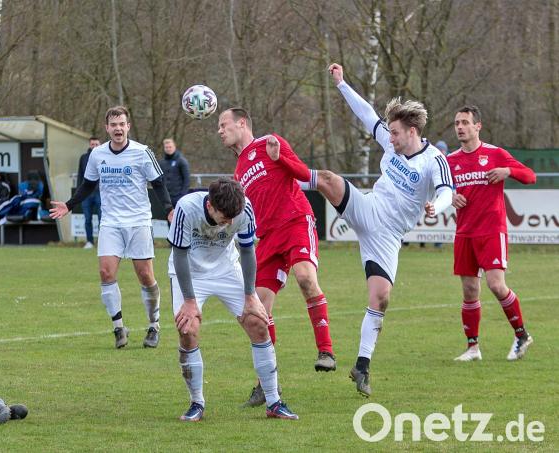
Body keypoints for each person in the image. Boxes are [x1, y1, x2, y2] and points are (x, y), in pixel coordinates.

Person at [306, 64, 454, 397]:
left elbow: (447, 191)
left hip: (388, 237)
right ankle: (286, 176)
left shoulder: (434, 160)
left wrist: (438, 207)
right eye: (389, 133)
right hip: (369, 209)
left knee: (381, 298)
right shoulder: (391, 142)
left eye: (396, 133)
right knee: (328, 178)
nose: (390, 138)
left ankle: (361, 365)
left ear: (412, 131)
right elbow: (366, 114)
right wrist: (342, 84)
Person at [217, 108, 336, 408]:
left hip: (295, 221)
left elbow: (301, 173)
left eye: (223, 124)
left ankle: (326, 351)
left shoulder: (270, 142)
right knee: (257, 311)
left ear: (242, 123)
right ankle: (266, 384)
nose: (219, 130)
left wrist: (278, 156)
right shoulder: (239, 169)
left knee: (306, 278)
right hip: (267, 238)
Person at [169, 178, 298, 421]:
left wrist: (250, 295)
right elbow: (179, 255)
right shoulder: (186, 208)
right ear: (210, 207)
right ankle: (196, 403)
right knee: (188, 330)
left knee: (259, 323)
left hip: (227, 270)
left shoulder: (244, 208)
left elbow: (248, 251)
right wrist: (189, 300)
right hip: (190, 273)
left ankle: (273, 401)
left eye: (232, 217)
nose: (228, 222)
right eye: (224, 217)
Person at [50, 106, 174, 349]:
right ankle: (119, 328)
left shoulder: (142, 152)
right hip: (110, 222)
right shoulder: (97, 155)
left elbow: (158, 183)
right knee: (106, 273)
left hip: (138, 221)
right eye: (113, 125)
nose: (118, 128)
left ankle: (154, 325)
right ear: (107, 128)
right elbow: (88, 185)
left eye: (122, 124)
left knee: (145, 275)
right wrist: (68, 204)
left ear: (128, 127)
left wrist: (169, 208)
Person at [449, 105, 536, 362]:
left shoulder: (495, 154)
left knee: (496, 285)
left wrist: (508, 171)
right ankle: (473, 348)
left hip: (491, 230)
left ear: (478, 126)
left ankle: (522, 335)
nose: (460, 127)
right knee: (469, 290)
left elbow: (530, 176)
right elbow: (437, 191)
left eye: (465, 122)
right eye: (457, 123)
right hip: (464, 232)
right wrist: (450, 197)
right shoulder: (450, 160)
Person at [77, 137, 102, 248]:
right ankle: (89, 242)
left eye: (96, 144)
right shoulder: (83, 158)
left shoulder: (105, 157)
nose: (94, 146)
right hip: (87, 194)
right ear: (89, 145)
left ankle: (102, 242)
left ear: (100, 145)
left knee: (103, 219)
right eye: (92, 144)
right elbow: (80, 175)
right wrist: (79, 193)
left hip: (100, 193)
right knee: (87, 219)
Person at [158, 138, 191, 207]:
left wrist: (182, 195)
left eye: (170, 147)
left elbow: (187, 180)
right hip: (166, 197)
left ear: (174, 147)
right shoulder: (161, 162)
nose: (168, 149)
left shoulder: (181, 161)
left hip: (178, 197)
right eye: (166, 147)